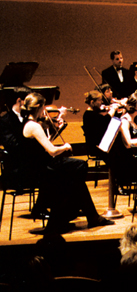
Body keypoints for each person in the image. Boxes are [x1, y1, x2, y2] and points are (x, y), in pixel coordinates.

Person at [21, 92, 114, 233]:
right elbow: (52, 151)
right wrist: (64, 147)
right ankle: (80, 214)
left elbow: (44, 144)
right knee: (80, 167)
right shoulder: (34, 125)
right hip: (41, 169)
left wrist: (58, 127)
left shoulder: (30, 124)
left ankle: (70, 217)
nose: (45, 110)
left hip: (40, 166)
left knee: (76, 179)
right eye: (44, 106)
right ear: (39, 106)